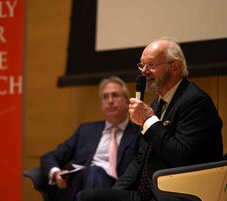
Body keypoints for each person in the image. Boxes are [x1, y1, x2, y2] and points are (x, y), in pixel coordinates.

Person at [78, 37, 223, 201]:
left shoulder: (195, 101)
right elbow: (142, 158)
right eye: (142, 65)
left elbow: (182, 156)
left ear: (175, 67)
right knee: (88, 197)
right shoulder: (158, 102)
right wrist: (115, 193)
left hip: (178, 193)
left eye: (152, 65)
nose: (144, 71)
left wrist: (149, 120)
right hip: (149, 192)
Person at [40, 76, 140, 201]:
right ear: (101, 104)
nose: (110, 101)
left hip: (118, 191)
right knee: (94, 171)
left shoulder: (138, 134)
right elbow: (49, 157)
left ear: (127, 102)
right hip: (80, 186)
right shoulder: (85, 131)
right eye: (105, 97)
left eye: (115, 95)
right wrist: (56, 173)